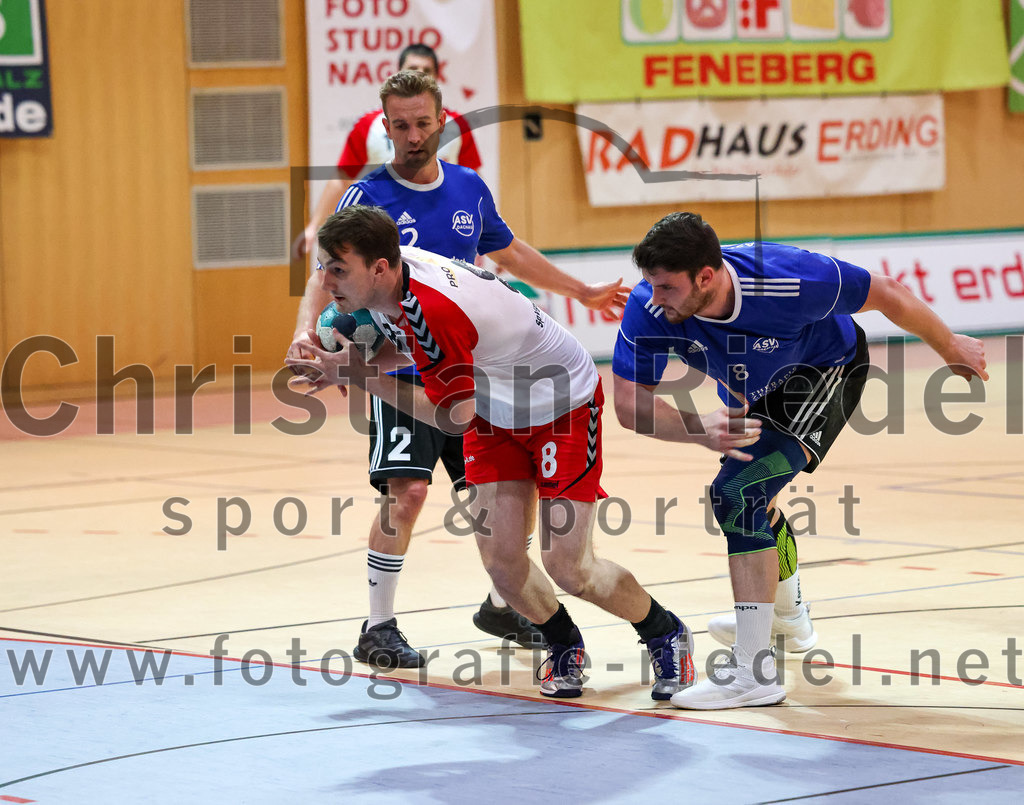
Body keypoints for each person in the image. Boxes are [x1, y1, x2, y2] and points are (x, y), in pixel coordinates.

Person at [287, 205, 734, 700]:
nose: (327, 282)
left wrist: (359, 373)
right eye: (322, 267)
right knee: (502, 562)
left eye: (338, 269)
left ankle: (664, 631)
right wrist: (344, 365)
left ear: (378, 268)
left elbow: (450, 416)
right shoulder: (399, 271)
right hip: (496, 406)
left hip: (561, 404)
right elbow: (427, 352)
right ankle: (563, 643)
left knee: (569, 567)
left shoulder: (433, 308)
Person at [287, 70, 628, 670]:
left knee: (498, 502)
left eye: (423, 123)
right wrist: (304, 333)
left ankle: (503, 602)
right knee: (409, 492)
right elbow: (325, 275)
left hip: (470, 375)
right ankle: (378, 625)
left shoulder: (469, 186)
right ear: (381, 125)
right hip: (399, 370)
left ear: (442, 122)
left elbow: (511, 251)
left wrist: (582, 290)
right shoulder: (365, 196)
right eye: (400, 125)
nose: (413, 135)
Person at [612, 211, 988, 710]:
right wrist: (701, 429)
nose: (655, 299)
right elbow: (628, 403)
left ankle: (754, 673)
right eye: (650, 287)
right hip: (756, 387)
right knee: (751, 498)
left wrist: (949, 345)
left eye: (666, 288)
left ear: (706, 276)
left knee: (738, 493)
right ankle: (785, 615)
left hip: (824, 371)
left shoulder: (787, 277)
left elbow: (888, 291)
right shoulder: (650, 307)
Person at [292, 43, 481, 261]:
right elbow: (341, 180)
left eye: (426, 71)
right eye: (412, 68)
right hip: (382, 236)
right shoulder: (369, 126)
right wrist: (314, 226)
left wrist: (488, 238)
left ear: (437, 77)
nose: (419, 75)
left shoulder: (456, 126)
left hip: (441, 234)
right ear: (399, 74)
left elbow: (473, 186)